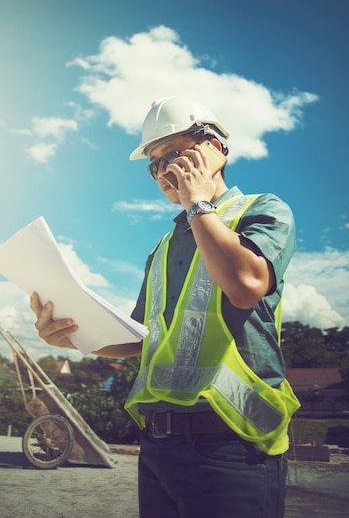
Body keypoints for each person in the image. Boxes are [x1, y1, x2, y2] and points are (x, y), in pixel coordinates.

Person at [31, 97, 300, 518]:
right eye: (155, 164)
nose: (164, 171)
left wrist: (198, 205)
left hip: (233, 445)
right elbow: (139, 337)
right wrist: (74, 335)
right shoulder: (163, 246)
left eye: (175, 154)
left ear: (216, 147)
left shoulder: (263, 211)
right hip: (158, 447)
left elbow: (246, 285)